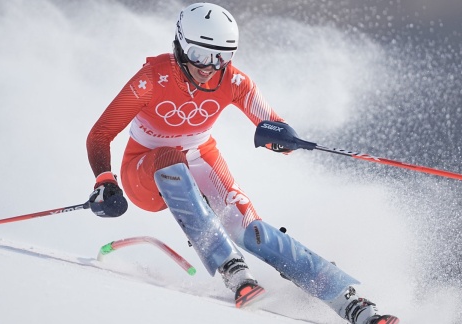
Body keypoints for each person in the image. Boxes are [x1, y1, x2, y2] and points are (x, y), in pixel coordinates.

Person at [86, 3, 399, 324]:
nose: (209, 67)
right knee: (171, 156)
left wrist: (284, 139)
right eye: (200, 54)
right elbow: (100, 134)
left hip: (199, 157)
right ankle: (233, 270)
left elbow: (273, 124)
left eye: (221, 56)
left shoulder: (233, 82)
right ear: (179, 43)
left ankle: (351, 303)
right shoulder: (152, 79)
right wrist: (104, 181)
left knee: (253, 230)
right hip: (144, 170)